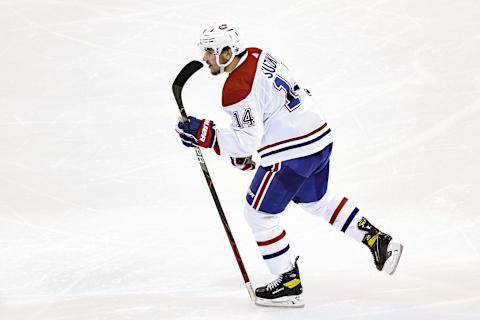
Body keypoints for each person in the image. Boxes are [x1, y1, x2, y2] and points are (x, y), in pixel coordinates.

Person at [175, 22, 403, 307]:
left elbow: (246, 141)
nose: (206, 58)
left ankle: (288, 282)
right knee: (317, 201)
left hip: (291, 153)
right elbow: (264, 113)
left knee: (257, 214)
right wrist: (238, 151)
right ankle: (376, 239)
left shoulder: (235, 87)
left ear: (227, 51)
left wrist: (206, 134)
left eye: (210, 51)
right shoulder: (258, 55)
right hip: (318, 138)